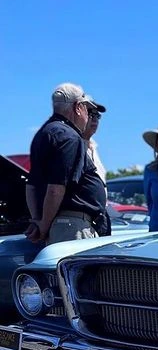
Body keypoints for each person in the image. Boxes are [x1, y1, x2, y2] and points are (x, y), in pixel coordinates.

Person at [26, 82, 108, 244]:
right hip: (71, 227)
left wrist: (38, 220)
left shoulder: (44, 133)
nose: (89, 116)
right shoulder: (69, 136)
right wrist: (43, 225)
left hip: (61, 225)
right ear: (78, 107)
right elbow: (56, 188)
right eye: (87, 109)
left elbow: (31, 185)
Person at [83, 96, 107, 183]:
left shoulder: (93, 147)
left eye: (97, 116)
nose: (95, 119)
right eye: (91, 114)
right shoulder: (73, 145)